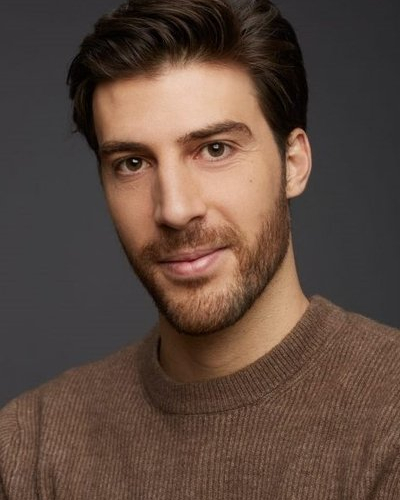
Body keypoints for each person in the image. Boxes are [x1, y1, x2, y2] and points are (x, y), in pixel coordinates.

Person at [0, 0, 399, 498]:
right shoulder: (29, 450)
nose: (174, 209)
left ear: (293, 163)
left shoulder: (390, 420)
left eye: (215, 149)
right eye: (132, 163)